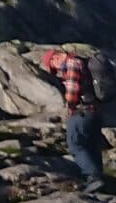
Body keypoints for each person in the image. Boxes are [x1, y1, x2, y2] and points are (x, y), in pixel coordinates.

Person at [38, 46, 108, 192]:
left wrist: (69, 107)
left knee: (75, 144)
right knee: (92, 146)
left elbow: (72, 92)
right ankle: (100, 179)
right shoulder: (81, 61)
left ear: (56, 58)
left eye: (53, 66)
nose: (56, 70)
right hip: (96, 112)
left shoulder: (71, 64)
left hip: (81, 113)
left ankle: (93, 177)